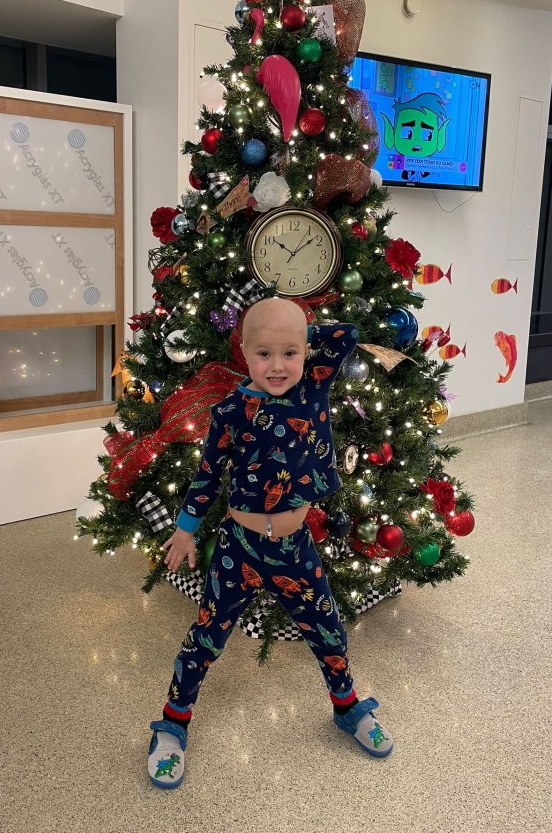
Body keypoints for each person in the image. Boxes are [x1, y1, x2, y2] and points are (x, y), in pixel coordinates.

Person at [147, 297, 393, 789]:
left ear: (305, 353)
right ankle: (172, 726)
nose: (277, 366)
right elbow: (207, 475)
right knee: (205, 639)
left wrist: (296, 329)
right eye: (263, 353)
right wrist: (185, 527)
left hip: (295, 548)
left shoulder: (315, 385)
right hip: (239, 547)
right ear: (242, 351)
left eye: (289, 354)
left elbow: (346, 333)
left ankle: (347, 708)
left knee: (328, 631)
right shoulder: (230, 410)